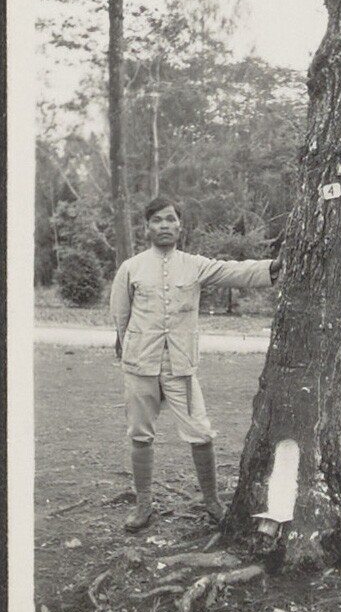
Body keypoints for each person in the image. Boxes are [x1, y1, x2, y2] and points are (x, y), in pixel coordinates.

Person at [110, 195, 282, 532]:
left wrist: (272, 267)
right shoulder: (131, 268)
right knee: (140, 434)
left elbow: (233, 270)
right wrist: (129, 350)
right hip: (140, 364)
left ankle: (213, 502)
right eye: (157, 220)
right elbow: (121, 316)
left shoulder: (194, 265)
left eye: (170, 219)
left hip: (181, 366)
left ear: (180, 226)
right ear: (147, 227)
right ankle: (143, 505)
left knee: (201, 433)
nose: (164, 225)